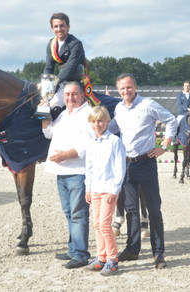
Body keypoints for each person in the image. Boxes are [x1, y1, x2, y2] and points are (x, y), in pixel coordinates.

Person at [109, 73, 178, 269]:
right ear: (118, 90)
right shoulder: (118, 109)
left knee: (154, 209)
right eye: (122, 88)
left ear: (135, 87)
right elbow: (111, 128)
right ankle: (132, 249)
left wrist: (164, 146)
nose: (125, 91)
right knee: (131, 210)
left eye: (129, 87)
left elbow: (171, 120)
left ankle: (158, 252)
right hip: (127, 165)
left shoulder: (148, 105)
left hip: (146, 162)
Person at [42, 81, 92, 269]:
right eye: (67, 94)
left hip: (77, 171)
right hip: (61, 172)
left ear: (82, 95)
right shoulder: (64, 114)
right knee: (69, 212)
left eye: (74, 94)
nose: (70, 98)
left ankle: (80, 254)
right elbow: (48, 132)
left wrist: (65, 155)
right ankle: (73, 249)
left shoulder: (88, 114)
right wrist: (43, 112)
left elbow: (87, 144)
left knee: (78, 214)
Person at [83, 106, 126, 276]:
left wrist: (114, 190)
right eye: (93, 121)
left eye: (100, 121)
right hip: (95, 189)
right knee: (96, 224)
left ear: (107, 122)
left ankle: (112, 260)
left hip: (108, 189)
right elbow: (89, 167)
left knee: (105, 225)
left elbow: (120, 167)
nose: (97, 124)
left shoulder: (115, 142)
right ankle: (101, 257)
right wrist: (88, 187)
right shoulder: (91, 142)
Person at [44, 12, 86, 110]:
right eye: (56, 26)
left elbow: (69, 69)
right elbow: (48, 68)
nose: (59, 29)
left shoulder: (76, 44)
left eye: (62, 26)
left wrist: (52, 83)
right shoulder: (51, 44)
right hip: (59, 82)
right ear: (52, 29)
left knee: (52, 105)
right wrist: (45, 84)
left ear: (68, 27)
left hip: (74, 82)